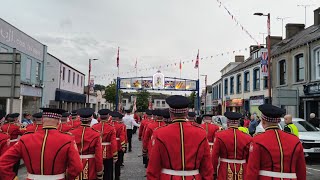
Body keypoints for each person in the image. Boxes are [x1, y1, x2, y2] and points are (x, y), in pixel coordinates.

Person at [0, 108, 83, 180]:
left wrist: (11, 178)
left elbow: (2, 163)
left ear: (42, 120)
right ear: (59, 121)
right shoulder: (68, 139)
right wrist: (68, 177)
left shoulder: (25, 139)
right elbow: (77, 167)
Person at [147, 95, 213, 179]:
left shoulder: (159, 132)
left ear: (170, 113)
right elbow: (207, 165)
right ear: (186, 113)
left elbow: (153, 166)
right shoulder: (201, 132)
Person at [246, 104, 306, 179]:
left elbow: (252, 170)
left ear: (263, 122)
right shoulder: (295, 140)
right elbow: (301, 170)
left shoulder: (257, 140)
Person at [212, 112, 252, 180]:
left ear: (227, 122)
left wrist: (214, 172)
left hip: (224, 171)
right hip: (242, 171)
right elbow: (250, 159)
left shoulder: (219, 135)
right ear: (238, 123)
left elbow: (214, 156)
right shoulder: (247, 137)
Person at [70, 108, 103, 180]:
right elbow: (98, 156)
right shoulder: (96, 134)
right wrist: (99, 171)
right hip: (90, 164)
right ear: (91, 119)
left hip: (74, 163)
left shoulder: (72, 133)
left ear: (80, 119)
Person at [92, 109, 118, 180]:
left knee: (97, 169)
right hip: (108, 151)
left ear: (100, 117)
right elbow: (113, 142)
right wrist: (115, 154)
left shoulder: (94, 126)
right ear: (108, 116)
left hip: (97, 150)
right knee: (108, 170)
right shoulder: (111, 127)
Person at [109, 111, 127, 180]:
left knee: (109, 164)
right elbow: (122, 136)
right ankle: (117, 176)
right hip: (118, 144)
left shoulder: (108, 125)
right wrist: (123, 145)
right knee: (117, 163)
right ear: (117, 118)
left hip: (109, 145)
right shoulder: (121, 126)